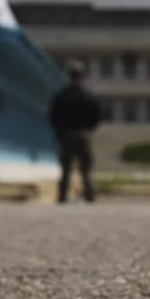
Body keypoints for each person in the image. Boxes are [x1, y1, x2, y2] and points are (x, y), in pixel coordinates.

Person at [48, 60, 102, 203]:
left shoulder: (61, 96)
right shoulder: (89, 95)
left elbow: (53, 116)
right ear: (82, 76)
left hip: (66, 135)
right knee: (85, 169)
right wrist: (89, 129)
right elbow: (96, 116)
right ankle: (89, 195)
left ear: (69, 76)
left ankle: (62, 196)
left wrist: (59, 132)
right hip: (83, 135)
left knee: (65, 169)